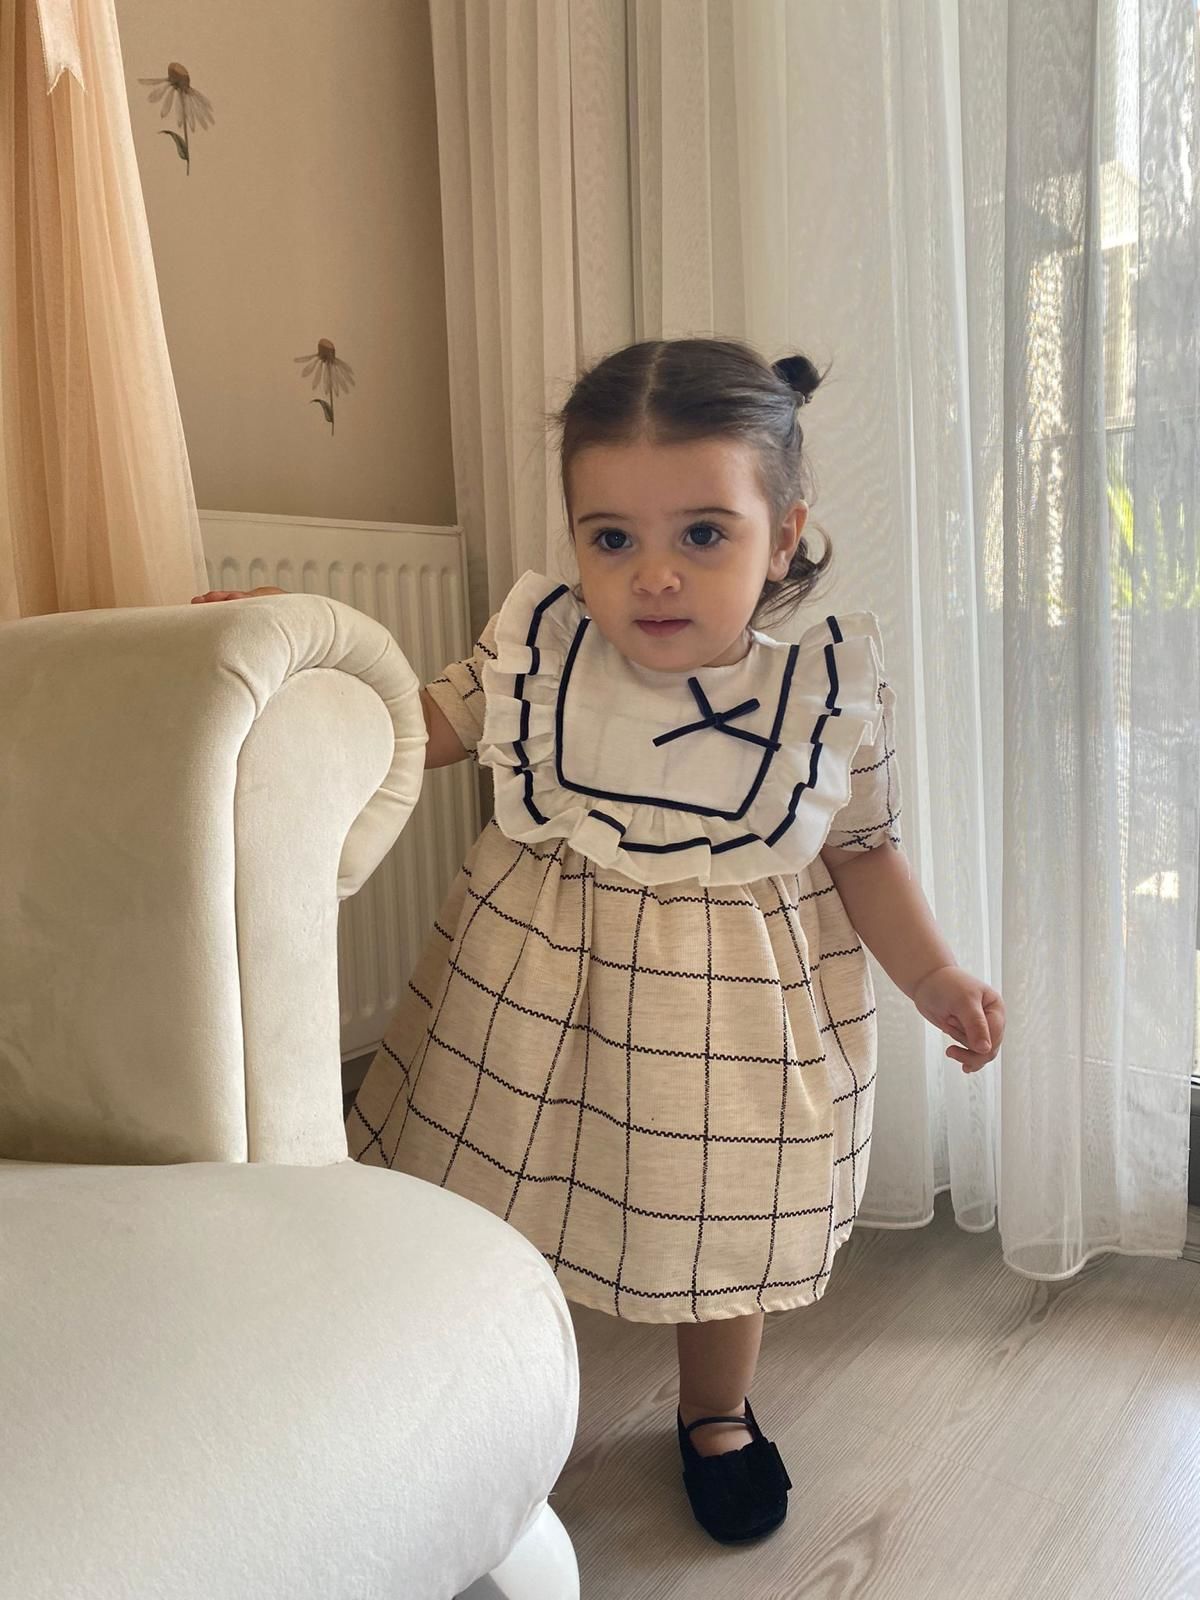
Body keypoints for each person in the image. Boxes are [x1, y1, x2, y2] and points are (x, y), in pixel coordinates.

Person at [193, 335, 1004, 1546]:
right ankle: (474, 1386)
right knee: (492, 1197)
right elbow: (416, 722)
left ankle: (714, 1411)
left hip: (729, 1031)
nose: (653, 576)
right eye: (612, 537)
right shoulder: (542, 650)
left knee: (720, 1217)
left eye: (704, 534)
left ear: (784, 536)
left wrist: (933, 972)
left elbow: (865, 851)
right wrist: (291, 671)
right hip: (527, 1007)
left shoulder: (821, 696)